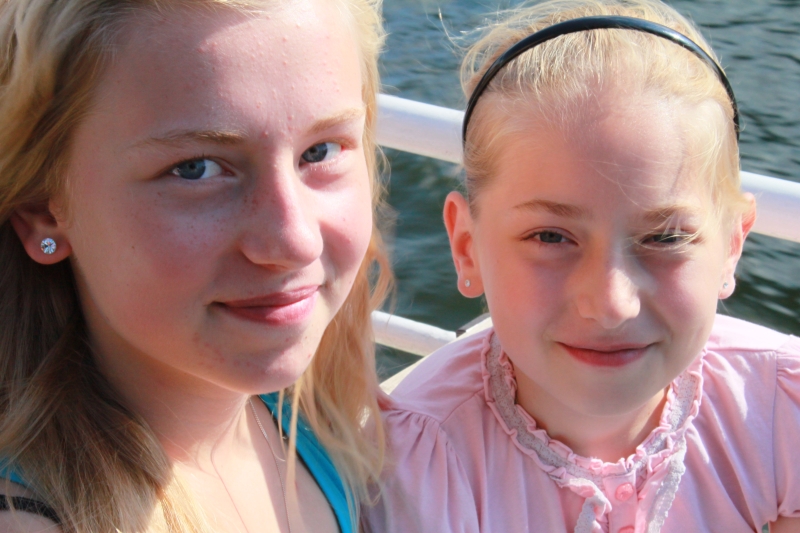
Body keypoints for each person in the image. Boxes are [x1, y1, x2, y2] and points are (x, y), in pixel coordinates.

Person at [364, 0, 800, 532]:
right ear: (467, 246)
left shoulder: (779, 410)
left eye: (665, 237)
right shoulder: (415, 472)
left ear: (732, 244)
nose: (611, 304)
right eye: (550, 236)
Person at [0, 0, 391, 531]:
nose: (295, 241)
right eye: (195, 168)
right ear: (43, 211)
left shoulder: (306, 416)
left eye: (320, 152)